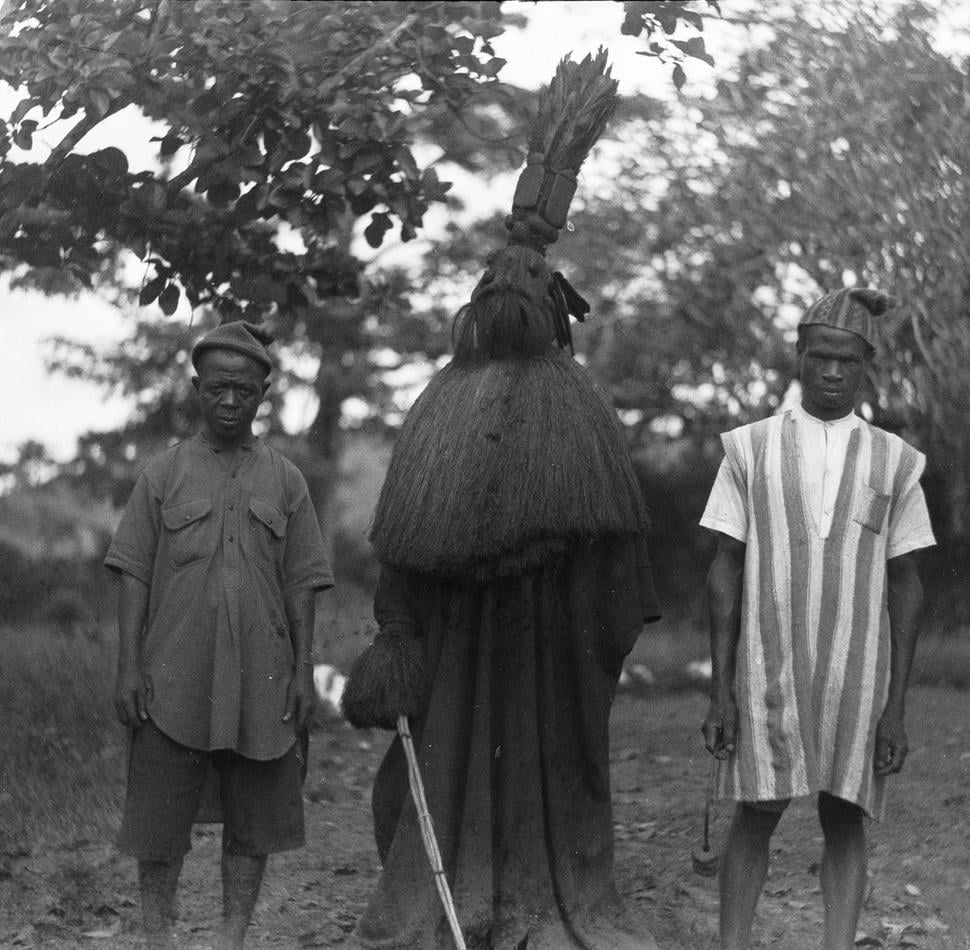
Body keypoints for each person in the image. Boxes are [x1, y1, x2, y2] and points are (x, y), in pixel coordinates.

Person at [341, 52, 662, 950]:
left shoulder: (577, 410)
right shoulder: (439, 411)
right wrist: (400, 635)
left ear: (554, 307)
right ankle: (458, 900)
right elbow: (402, 546)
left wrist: (596, 633)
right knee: (449, 778)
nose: (512, 297)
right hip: (457, 651)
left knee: (547, 778)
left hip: (552, 652)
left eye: (527, 286)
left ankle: (541, 901)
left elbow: (618, 557)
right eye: (500, 284)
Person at [700, 287, 936, 949]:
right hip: (767, 667)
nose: (833, 372)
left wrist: (896, 706)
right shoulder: (748, 450)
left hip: (856, 673)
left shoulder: (895, 461)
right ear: (799, 358)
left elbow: (908, 582)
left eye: (848, 361)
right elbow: (724, 566)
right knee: (756, 810)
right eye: (820, 357)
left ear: (867, 366)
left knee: (845, 814)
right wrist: (721, 688)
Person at [105, 321, 333, 950]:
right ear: (197, 390)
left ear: (263, 393)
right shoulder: (163, 474)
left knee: (253, 820)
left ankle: (232, 938)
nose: (229, 401)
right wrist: (128, 668)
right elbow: (132, 576)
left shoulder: (286, 481)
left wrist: (302, 669)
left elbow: (304, 582)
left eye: (243, 390)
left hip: (263, 678)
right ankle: (158, 937)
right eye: (216, 389)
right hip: (171, 678)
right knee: (159, 820)